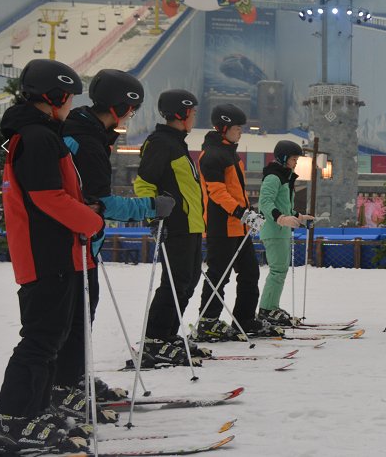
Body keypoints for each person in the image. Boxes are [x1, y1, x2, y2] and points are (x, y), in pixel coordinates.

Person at [0, 60, 104, 455]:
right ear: (54, 97)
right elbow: (46, 197)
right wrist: (91, 219)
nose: (71, 104)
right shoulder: (38, 137)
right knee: (40, 339)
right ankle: (11, 421)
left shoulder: (38, 134)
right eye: (69, 97)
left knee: (52, 338)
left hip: (56, 251)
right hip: (46, 254)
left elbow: (54, 194)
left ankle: (34, 410)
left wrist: (82, 208)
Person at [52, 70, 173, 419]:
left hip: (77, 242)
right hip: (75, 244)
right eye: (131, 109)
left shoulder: (82, 130)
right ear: (121, 106)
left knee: (76, 321)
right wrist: (150, 206)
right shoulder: (87, 141)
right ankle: (66, 387)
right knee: (75, 321)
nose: (130, 117)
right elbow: (102, 202)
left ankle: (73, 380)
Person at [134, 89, 206, 365]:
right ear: (181, 112)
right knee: (174, 284)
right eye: (192, 112)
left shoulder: (177, 143)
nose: (194, 117)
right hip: (175, 225)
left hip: (190, 225)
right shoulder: (161, 143)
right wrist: (153, 219)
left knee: (187, 282)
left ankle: (166, 334)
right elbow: (143, 183)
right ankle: (155, 338)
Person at [196, 104, 279, 340]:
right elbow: (217, 193)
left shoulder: (229, 152)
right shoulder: (212, 155)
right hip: (221, 227)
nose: (240, 132)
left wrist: (248, 212)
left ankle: (245, 319)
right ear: (223, 128)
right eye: (236, 128)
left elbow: (236, 191)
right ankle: (208, 321)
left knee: (250, 273)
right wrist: (242, 213)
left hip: (239, 227)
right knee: (219, 275)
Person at [257, 140, 314, 326]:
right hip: (274, 230)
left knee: (280, 270)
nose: (296, 162)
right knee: (278, 270)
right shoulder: (274, 177)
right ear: (283, 158)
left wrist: (299, 216)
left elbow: (284, 206)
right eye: (293, 159)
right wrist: (281, 219)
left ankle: (271, 306)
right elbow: (265, 203)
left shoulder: (284, 177)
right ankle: (267, 309)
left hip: (281, 230)